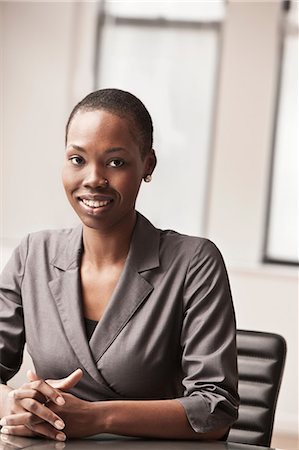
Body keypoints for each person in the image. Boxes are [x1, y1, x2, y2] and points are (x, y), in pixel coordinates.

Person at [0, 89, 239, 442]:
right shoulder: (33, 255)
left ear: (148, 165)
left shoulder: (194, 263)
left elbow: (215, 412)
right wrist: (16, 403)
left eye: (116, 162)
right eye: (77, 159)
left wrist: (100, 417)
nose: (93, 178)